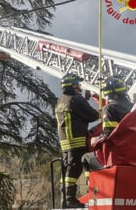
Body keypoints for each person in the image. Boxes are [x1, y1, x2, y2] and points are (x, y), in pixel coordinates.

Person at [55, 73, 100, 208]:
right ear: (73, 85)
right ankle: (70, 200)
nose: (79, 87)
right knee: (75, 169)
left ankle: (66, 200)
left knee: (69, 170)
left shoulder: (60, 100)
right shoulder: (76, 100)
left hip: (66, 141)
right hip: (77, 140)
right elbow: (92, 116)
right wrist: (102, 111)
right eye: (78, 84)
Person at [81, 76, 135, 172]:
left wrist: (96, 140)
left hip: (119, 156)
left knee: (86, 158)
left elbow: (109, 136)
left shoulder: (110, 109)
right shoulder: (135, 107)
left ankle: (93, 186)